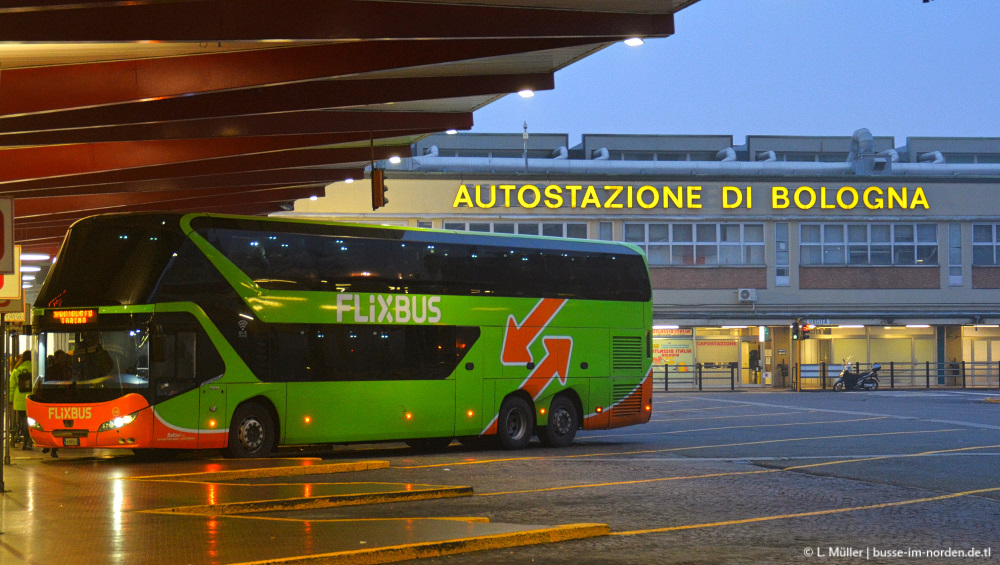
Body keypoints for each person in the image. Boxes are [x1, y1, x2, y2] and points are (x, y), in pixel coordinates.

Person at [8, 350, 33, 450]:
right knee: (31, 420)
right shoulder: (36, 368)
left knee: (23, 419)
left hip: (19, 399)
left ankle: (25, 440)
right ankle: (28, 440)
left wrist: (10, 399)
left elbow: (12, 387)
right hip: (32, 398)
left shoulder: (16, 370)